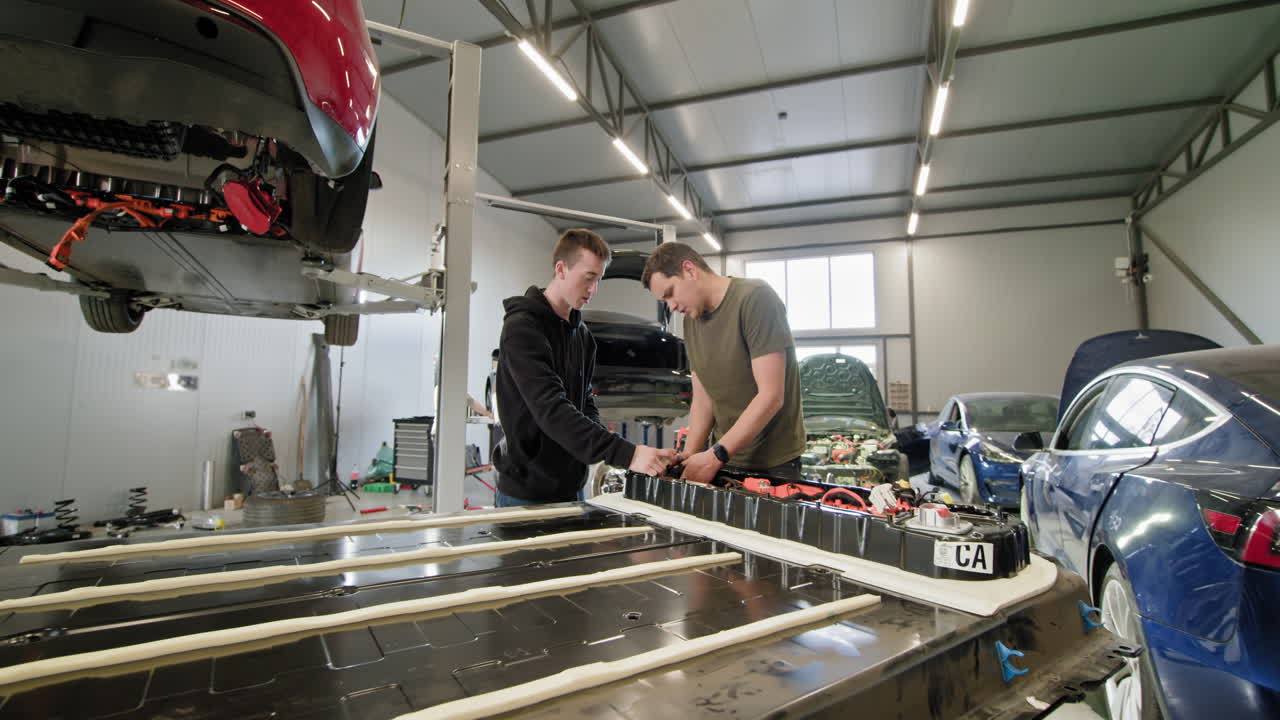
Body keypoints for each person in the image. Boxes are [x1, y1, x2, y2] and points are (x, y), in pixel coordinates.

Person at [493, 229, 674, 506]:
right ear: (561, 269)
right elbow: (551, 410)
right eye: (588, 278)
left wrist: (604, 444)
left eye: (599, 280)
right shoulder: (523, 330)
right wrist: (627, 454)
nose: (593, 290)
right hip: (526, 492)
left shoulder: (583, 336)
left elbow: (585, 403)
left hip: (572, 487)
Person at [642, 242, 805, 484]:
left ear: (689, 270)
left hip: (773, 465)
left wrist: (716, 454)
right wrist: (689, 456)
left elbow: (771, 396)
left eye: (670, 293)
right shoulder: (692, 321)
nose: (672, 306)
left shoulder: (755, 299)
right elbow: (703, 399)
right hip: (723, 459)